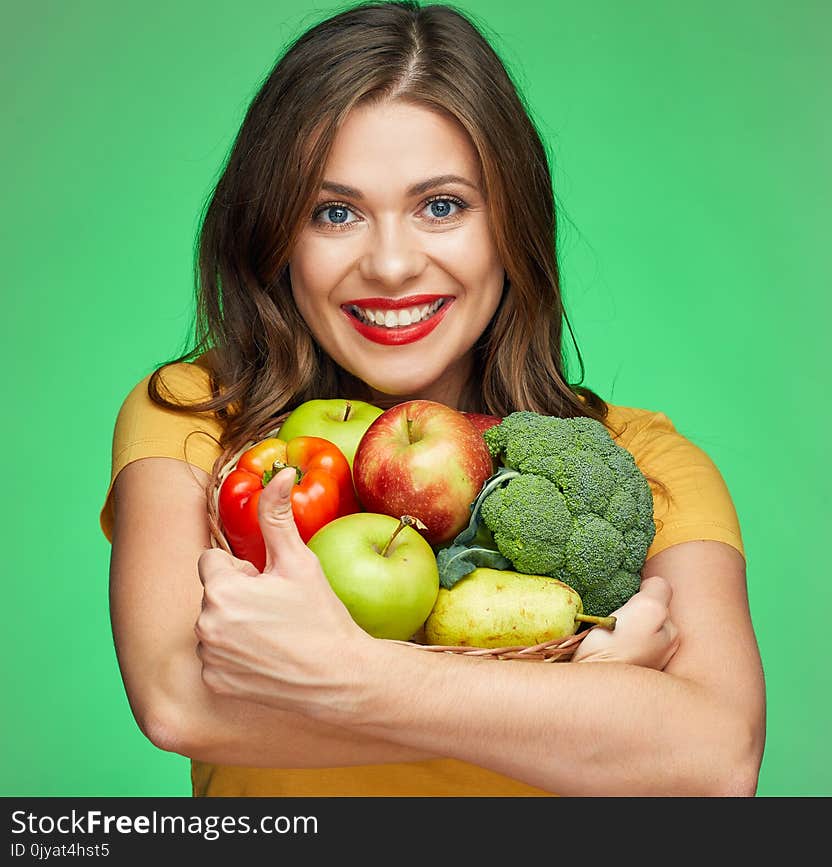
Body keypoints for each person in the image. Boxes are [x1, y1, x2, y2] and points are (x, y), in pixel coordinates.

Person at [101, 0, 766, 797]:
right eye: (334, 211)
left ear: (509, 223)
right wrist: (576, 699)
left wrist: (344, 674)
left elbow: (716, 758)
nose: (390, 265)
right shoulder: (204, 422)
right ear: (276, 233)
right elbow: (181, 702)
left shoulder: (646, 466)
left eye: (441, 205)